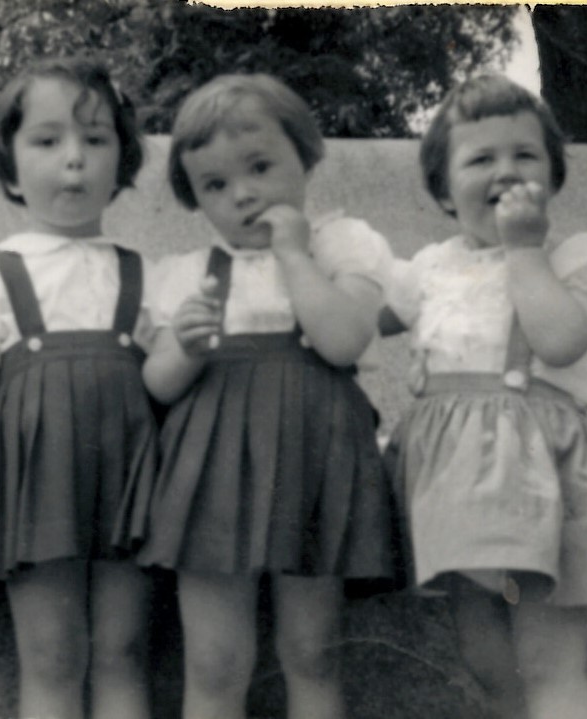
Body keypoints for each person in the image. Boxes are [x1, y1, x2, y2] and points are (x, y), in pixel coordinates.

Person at [381, 74, 587, 719]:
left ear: (552, 178)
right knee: (485, 658)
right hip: (452, 485)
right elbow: (357, 323)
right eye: (481, 159)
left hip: (536, 475)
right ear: (443, 191)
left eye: (525, 155)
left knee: (548, 660)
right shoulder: (429, 268)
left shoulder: (572, 259)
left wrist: (525, 251)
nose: (506, 171)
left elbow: (560, 340)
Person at [137, 73, 398, 719]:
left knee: (313, 651)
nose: (243, 194)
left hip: (315, 461)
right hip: (211, 469)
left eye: (260, 167)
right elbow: (158, 383)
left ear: (304, 156)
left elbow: (342, 340)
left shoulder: (341, 247)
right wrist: (185, 347)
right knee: (214, 659)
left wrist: (294, 256)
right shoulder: (186, 274)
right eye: (215, 185)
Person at [0, 57, 157, 719]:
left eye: (95, 139)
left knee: (123, 650)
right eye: (48, 140)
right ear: (10, 167)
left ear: (122, 163)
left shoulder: (147, 277)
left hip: (130, 485)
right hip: (36, 486)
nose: (74, 158)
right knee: (52, 654)